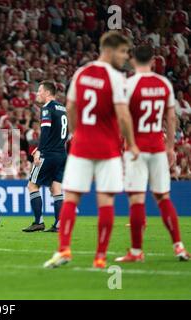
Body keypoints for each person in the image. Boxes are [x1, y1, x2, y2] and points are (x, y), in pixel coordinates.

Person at [44, 31, 140, 269]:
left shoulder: (81, 73)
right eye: (123, 51)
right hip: (107, 148)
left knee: (71, 198)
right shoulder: (117, 78)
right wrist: (132, 143)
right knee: (105, 201)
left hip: (81, 147)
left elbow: (71, 108)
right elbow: (123, 115)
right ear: (109, 49)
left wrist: (78, 134)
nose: (125, 57)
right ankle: (100, 256)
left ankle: (63, 249)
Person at [116, 45, 190, 262]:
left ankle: (136, 252)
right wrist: (170, 148)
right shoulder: (164, 84)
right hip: (158, 147)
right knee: (163, 197)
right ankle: (179, 247)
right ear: (153, 61)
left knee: (137, 199)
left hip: (136, 148)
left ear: (133, 60)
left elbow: (123, 119)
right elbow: (171, 118)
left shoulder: (129, 85)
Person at [23, 81, 67, 233]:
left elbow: (46, 131)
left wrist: (40, 150)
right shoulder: (63, 108)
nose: (37, 93)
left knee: (32, 185)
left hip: (48, 154)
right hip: (62, 153)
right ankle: (59, 224)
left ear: (48, 93)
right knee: (56, 187)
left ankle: (38, 222)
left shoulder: (47, 108)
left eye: (39, 91)